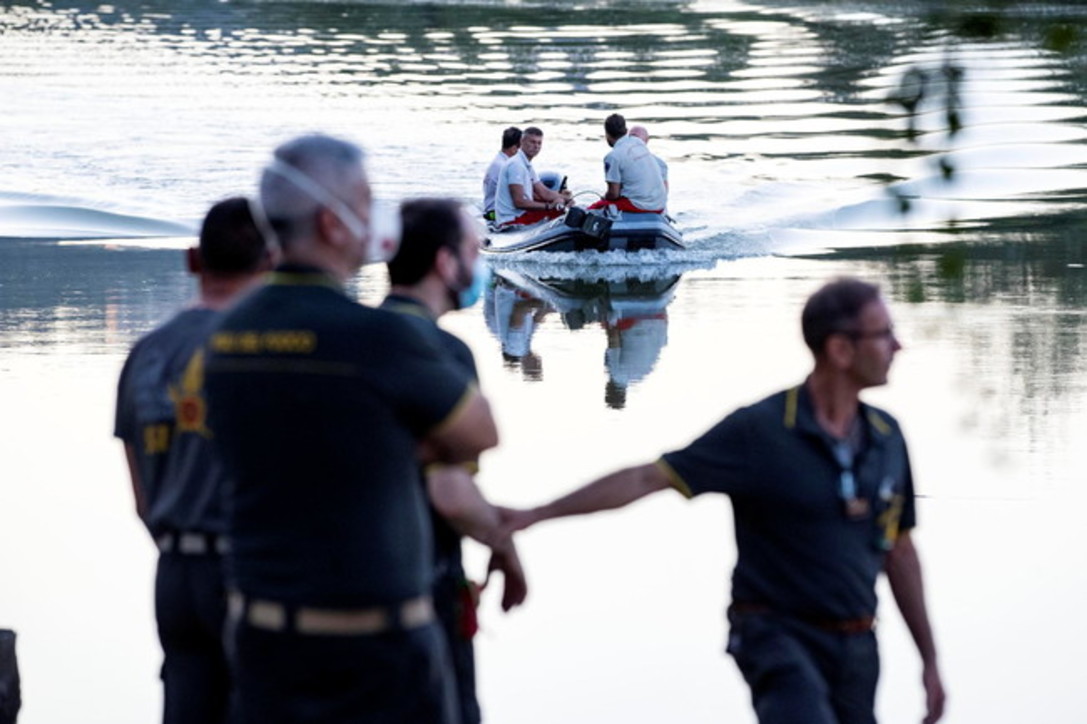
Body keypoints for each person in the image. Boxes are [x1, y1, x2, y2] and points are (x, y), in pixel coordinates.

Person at [504, 277, 946, 724]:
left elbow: (900, 551)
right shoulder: (761, 431)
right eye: (884, 333)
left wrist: (929, 660)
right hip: (775, 635)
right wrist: (536, 514)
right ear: (841, 350)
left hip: (856, 643)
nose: (898, 346)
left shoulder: (887, 438)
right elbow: (648, 478)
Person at [203, 134, 499, 724]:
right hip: (374, 650)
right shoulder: (379, 339)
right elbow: (479, 434)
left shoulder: (224, 337)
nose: (375, 216)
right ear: (332, 224)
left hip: (262, 639)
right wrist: (396, 435)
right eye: (365, 200)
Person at [114, 196, 275, 724]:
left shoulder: (146, 354)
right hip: (245, 570)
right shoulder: (263, 351)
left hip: (174, 574)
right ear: (270, 264)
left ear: (192, 260)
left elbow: (142, 495)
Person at [381, 197, 527, 724]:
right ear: (446, 263)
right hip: (423, 588)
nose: (481, 262)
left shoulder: (351, 340)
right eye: (474, 249)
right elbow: (448, 490)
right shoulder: (441, 353)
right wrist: (505, 547)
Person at [493, 126, 571, 228]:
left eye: (539, 143)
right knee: (561, 214)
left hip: (521, 214)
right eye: (532, 142)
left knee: (566, 210)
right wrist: (549, 206)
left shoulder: (526, 164)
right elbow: (519, 202)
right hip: (511, 219)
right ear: (522, 142)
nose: (536, 146)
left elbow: (544, 193)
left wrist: (565, 198)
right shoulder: (515, 164)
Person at [589, 113, 667, 213]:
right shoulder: (638, 142)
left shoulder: (613, 157)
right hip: (660, 202)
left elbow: (613, 194)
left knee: (594, 208)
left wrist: (603, 198)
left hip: (641, 205)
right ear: (626, 130)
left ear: (607, 134)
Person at [482, 126, 522, 222]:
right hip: (497, 214)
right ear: (514, 149)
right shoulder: (505, 166)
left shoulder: (499, 161)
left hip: (493, 209)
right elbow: (520, 198)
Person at [628, 125, 669, 196]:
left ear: (646, 140)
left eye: (636, 138)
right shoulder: (661, 163)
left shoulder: (660, 164)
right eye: (631, 138)